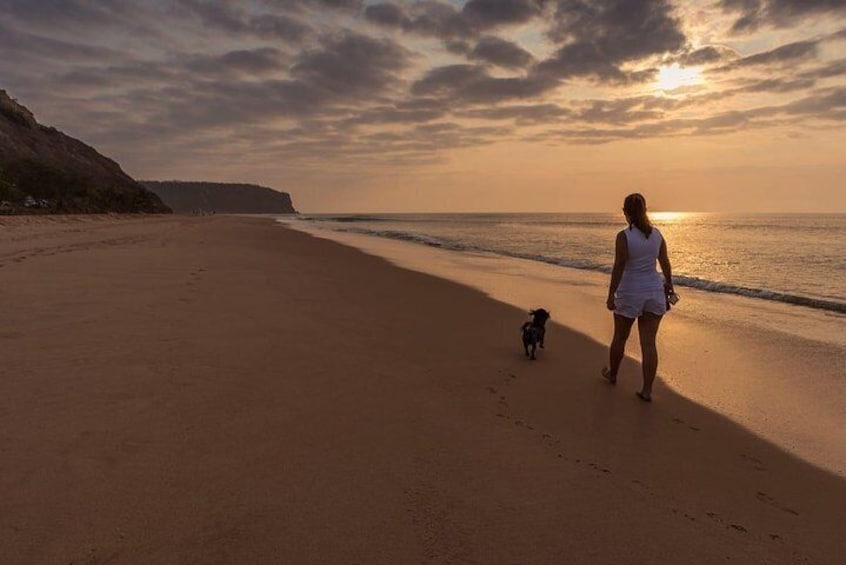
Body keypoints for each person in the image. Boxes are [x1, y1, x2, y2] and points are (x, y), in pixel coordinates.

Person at [601, 193, 673, 402]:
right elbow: (665, 263)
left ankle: (613, 374)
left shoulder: (624, 236)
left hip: (630, 292)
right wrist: (669, 284)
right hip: (653, 291)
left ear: (626, 212)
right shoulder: (657, 235)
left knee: (620, 338)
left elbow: (620, 266)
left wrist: (611, 294)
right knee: (649, 343)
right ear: (645, 211)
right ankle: (647, 390)